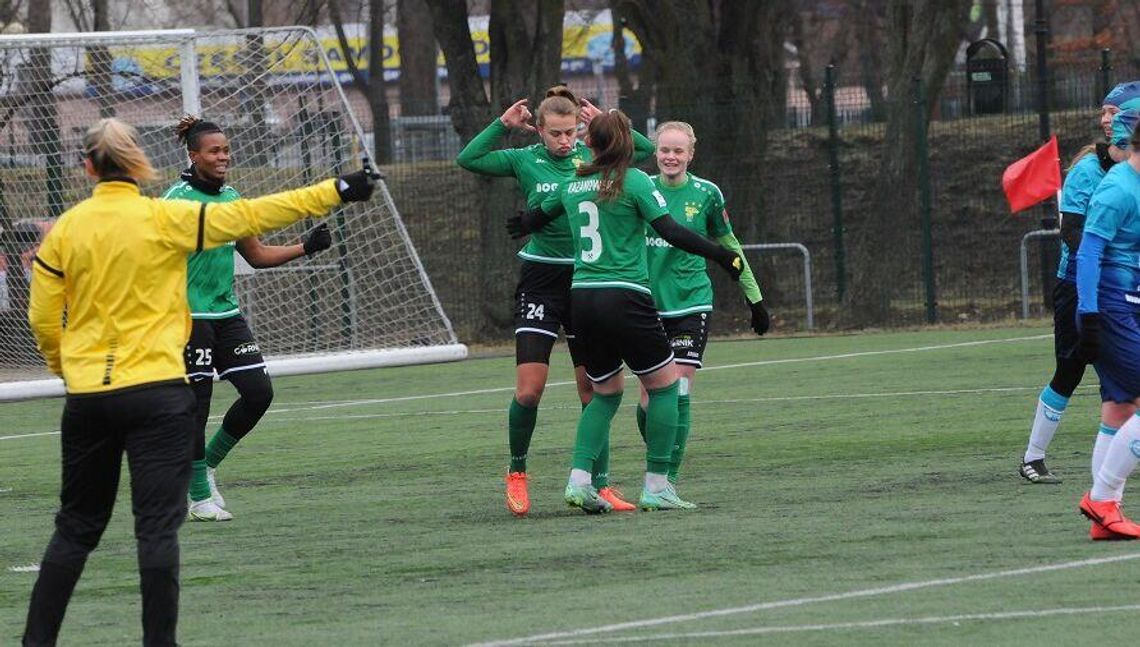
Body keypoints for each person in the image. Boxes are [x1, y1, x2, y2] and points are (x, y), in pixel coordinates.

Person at [22, 117, 374, 645]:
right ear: (139, 166)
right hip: (157, 392)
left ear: (88, 167)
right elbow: (256, 214)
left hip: (90, 394)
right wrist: (337, 190)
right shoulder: (168, 215)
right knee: (157, 531)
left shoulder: (66, 229)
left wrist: (65, 367)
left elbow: (44, 320)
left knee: (75, 528)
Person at [509, 109, 745, 513]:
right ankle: (657, 486)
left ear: (592, 144)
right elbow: (671, 231)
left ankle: (579, 482)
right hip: (625, 296)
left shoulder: (574, 183)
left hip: (581, 298)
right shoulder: (633, 180)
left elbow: (541, 214)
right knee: (666, 385)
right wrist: (722, 256)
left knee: (605, 392)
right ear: (625, 145)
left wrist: (525, 220)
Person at [456, 85, 656, 515]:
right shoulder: (524, 160)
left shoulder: (593, 159)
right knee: (529, 391)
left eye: (572, 132)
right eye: (557, 134)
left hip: (586, 282)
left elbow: (645, 149)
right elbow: (468, 159)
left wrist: (606, 118)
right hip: (541, 280)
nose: (566, 141)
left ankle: (598, 486)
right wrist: (500, 125)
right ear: (539, 131)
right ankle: (517, 472)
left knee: (592, 392)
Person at [169, 116, 334, 522]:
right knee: (197, 406)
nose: (224, 156)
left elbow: (256, 256)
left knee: (259, 393)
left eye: (226, 149)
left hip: (226, 313)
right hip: (188, 316)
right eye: (214, 151)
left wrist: (305, 247)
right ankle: (197, 497)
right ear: (193, 155)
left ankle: (206, 466)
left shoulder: (232, 198)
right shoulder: (175, 201)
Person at [630, 121, 769, 501]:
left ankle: (665, 480)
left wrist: (754, 299)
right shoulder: (640, 188)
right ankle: (660, 458)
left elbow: (729, 244)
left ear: (691, 154)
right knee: (648, 398)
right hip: (646, 304)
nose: (671, 157)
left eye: (678, 151)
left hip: (692, 302)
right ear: (655, 152)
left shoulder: (707, 193)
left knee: (680, 387)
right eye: (664, 150)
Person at [1018, 84, 1140, 484]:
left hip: (1122, 289)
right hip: (1080, 285)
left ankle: (1107, 484)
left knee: (1117, 386)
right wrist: (1104, 263)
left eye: (1113, 111)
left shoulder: (1129, 170)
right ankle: (1033, 457)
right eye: (1103, 111)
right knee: (1070, 369)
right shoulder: (1090, 169)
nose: (1105, 119)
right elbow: (1073, 233)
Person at [1074, 109, 1140, 540]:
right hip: (1110, 308)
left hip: (1126, 305)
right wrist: (1090, 314)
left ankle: (1104, 516)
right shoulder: (1117, 189)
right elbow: (1087, 252)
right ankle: (1102, 498)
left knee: (1119, 408)